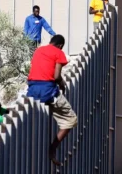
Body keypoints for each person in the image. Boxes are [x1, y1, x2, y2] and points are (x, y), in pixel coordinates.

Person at [27, 34, 77, 165]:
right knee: (71, 120)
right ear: (60, 45)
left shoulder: (38, 50)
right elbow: (56, 76)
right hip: (48, 91)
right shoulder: (59, 53)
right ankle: (52, 149)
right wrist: (62, 84)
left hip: (32, 90)